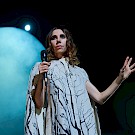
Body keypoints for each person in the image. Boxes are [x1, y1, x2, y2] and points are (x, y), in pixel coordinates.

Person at [24, 26, 135, 135]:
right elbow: (39, 104)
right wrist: (40, 79)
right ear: (50, 44)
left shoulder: (80, 73)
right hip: (59, 129)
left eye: (62, 37)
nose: (58, 40)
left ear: (68, 42)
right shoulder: (45, 68)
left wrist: (120, 78)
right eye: (54, 38)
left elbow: (100, 98)